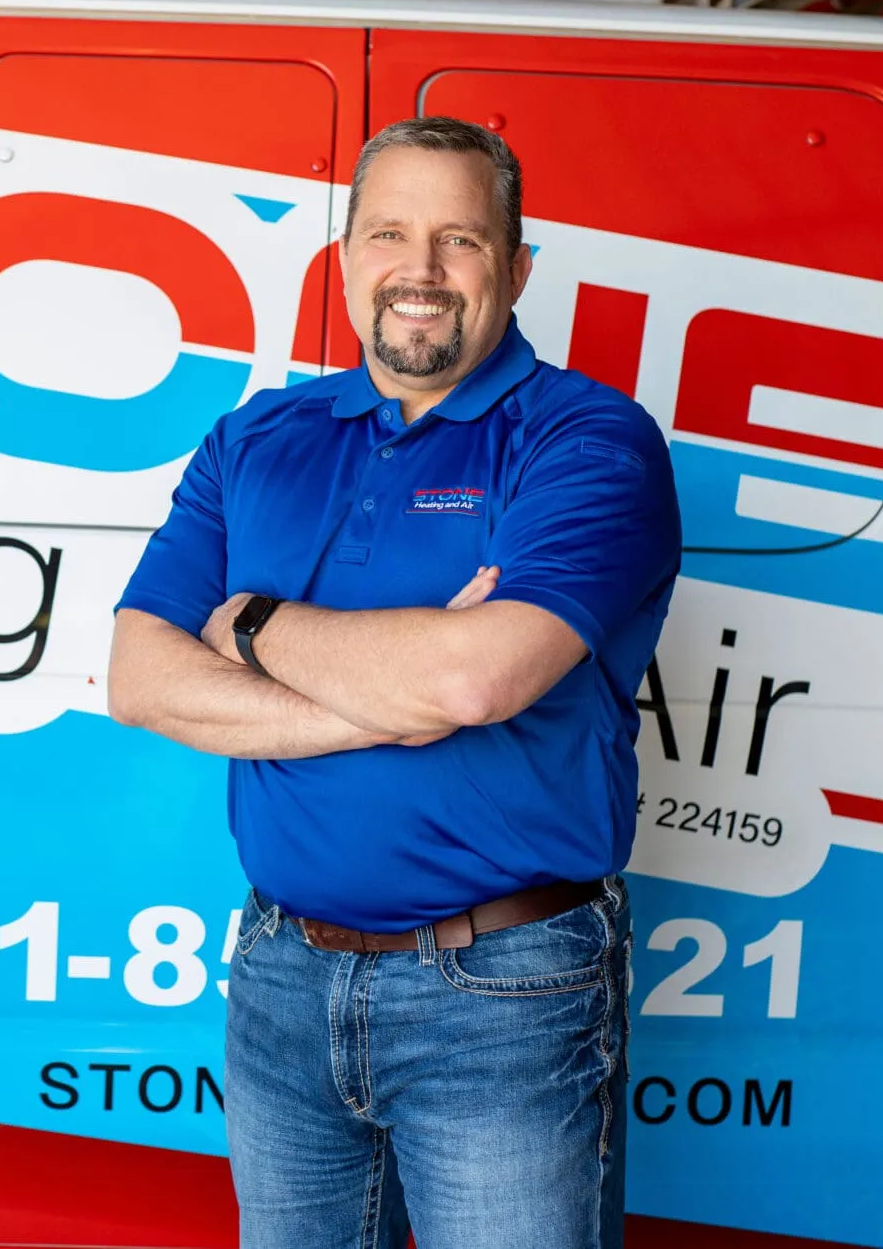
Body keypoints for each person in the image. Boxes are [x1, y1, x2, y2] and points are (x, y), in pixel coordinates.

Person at [106, 116, 682, 1249]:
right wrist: (388, 698)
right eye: (388, 234)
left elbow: (474, 678)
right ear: (345, 258)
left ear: (515, 269)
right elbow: (137, 678)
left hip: (503, 991)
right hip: (279, 977)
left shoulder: (588, 442)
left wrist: (250, 622)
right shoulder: (255, 437)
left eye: (459, 240)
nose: (418, 272)